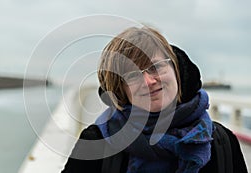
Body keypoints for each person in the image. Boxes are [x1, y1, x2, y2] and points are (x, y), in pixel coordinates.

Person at [62, 26, 247, 173]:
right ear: (121, 91)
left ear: (175, 68)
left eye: (155, 67)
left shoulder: (222, 143)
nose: (149, 81)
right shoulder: (98, 143)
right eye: (132, 76)